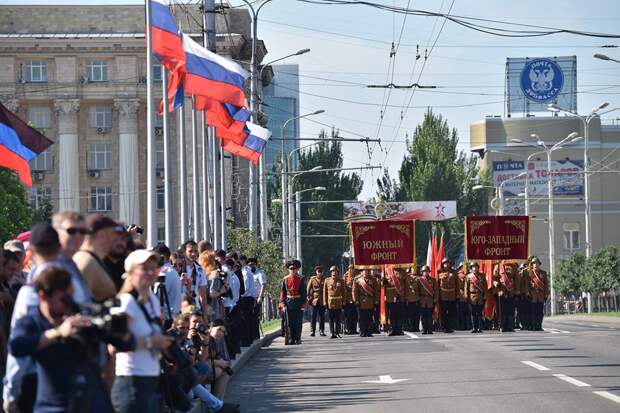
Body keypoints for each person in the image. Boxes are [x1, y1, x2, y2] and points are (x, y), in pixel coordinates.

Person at [9, 266, 121, 413]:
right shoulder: (32, 321)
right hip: (54, 405)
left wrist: (114, 328)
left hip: (91, 401)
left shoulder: (77, 315)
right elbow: (17, 346)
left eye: (71, 296)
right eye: (64, 298)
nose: (68, 303)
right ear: (43, 297)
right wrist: (58, 332)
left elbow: (125, 343)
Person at [111, 249, 175, 413]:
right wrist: (151, 342)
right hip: (131, 381)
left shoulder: (152, 300)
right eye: (144, 269)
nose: (150, 273)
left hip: (151, 378)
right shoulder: (125, 302)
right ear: (131, 272)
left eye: (153, 268)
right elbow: (115, 345)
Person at [73, 214, 123, 302]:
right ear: (101, 235)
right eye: (113, 234)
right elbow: (77, 301)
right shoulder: (86, 262)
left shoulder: (93, 259)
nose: (116, 240)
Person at [153, 244, 182, 327]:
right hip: (171, 316)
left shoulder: (166, 272)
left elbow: (158, 296)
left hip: (167, 319)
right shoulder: (171, 271)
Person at [279, 260, 306, 345]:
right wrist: (282, 303)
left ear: (297, 269)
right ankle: (291, 338)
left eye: (294, 268)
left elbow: (304, 292)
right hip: (289, 302)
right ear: (288, 269)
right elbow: (283, 292)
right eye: (291, 268)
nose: (292, 270)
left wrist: (303, 304)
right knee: (289, 322)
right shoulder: (285, 279)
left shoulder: (301, 278)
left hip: (298, 302)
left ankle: (297, 338)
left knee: (298, 322)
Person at [184, 241, 209, 323]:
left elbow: (203, 296)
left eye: (195, 251)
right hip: (181, 309)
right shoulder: (178, 268)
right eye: (190, 251)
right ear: (184, 252)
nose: (193, 254)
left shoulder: (200, 270)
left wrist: (205, 317)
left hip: (195, 309)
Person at [352, 269, 380, 337]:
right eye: (364, 270)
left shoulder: (373, 280)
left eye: (367, 271)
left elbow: (376, 291)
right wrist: (356, 300)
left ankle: (369, 331)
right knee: (361, 317)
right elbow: (354, 291)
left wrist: (376, 300)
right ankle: (362, 331)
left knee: (369, 317)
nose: (366, 272)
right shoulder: (357, 280)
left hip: (370, 300)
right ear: (362, 272)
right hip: (361, 300)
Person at [524, 257, 549, 331]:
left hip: (541, 295)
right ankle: (534, 325)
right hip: (533, 294)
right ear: (531, 265)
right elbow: (526, 284)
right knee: (533, 312)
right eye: (534, 263)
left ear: (539, 264)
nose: (535, 265)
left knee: (540, 312)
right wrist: (528, 292)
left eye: (537, 263)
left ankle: (539, 325)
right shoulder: (529, 273)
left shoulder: (543, 273)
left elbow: (546, 284)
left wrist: (546, 294)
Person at [494, 261, 518, 332]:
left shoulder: (513, 266)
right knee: (501, 310)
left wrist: (516, 290)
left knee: (510, 310)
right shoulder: (498, 266)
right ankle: (502, 326)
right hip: (501, 291)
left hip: (511, 291)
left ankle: (510, 326)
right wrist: (495, 283)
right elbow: (494, 278)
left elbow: (516, 279)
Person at [247, 257, 267, 341]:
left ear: (256, 264)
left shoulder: (260, 273)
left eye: (253, 264)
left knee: (255, 317)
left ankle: (256, 335)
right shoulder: (247, 273)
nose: (251, 266)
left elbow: (263, 285)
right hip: (248, 298)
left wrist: (260, 297)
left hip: (256, 298)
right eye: (250, 264)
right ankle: (250, 335)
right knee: (249, 317)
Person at [464, 262, 487, 333]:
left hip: (480, 296)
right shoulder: (468, 276)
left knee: (480, 313)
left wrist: (485, 295)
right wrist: (466, 296)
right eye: (473, 267)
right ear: (471, 268)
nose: (474, 268)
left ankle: (480, 328)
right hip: (472, 296)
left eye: (476, 267)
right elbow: (466, 287)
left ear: (478, 268)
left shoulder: (482, 276)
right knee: (473, 313)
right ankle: (474, 327)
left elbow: (485, 286)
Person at [323, 266, 345, 339]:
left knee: (338, 318)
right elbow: (324, 292)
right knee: (331, 318)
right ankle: (332, 333)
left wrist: (344, 301)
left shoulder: (341, 281)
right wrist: (324, 302)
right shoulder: (327, 280)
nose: (334, 273)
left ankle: (337, 332)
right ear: (331, 273)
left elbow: (343, 292)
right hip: (330, 302)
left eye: (335, 271)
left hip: (338, 301)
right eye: (332, 271)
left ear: (337, 273)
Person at [382, 267, 406, 336]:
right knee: (392, 314)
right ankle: (392, 329)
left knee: (399, 314)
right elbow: (384, 284)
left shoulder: (402, 271)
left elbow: (405, 282)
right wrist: (383, 280)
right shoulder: (387, 271)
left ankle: (399, 329)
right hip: (390, 297)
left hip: (399, 296)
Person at [438, 257, 458, 333]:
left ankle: (450, 327)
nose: (447, 264)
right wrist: (438, 296)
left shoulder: (454, 272)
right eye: (445, 263)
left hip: (452, 295)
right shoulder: (439, 272)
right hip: (443, 295)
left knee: (451, 312)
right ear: (443, 264)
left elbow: (457, 285)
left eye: (448, 263)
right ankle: (443, 327)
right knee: (443, 313)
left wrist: (457, 295)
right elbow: (437, 284)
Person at [417, 265, 438, 335]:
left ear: (429, 272)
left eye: (426, 271)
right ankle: (424, 329)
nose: (425, 272)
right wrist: (418, 299)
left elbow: (436, 290)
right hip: (422, 300)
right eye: (424, 271)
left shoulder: (433, 280)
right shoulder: (420, 280)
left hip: (430, 300)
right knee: (423, 316)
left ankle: (430, 329)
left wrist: (435, 298)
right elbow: (418, 290)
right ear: (422, 272)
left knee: (429, 315)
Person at [306, 265, 326, 337]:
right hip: (314, 299)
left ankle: (321, 330)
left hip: (322, 299)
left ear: (322, 272)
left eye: (320, 272)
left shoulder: (325, 279)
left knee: (322, 316)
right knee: (313, 316)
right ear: (316, 272)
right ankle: (313, 330)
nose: (319, 273)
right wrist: (308, 297)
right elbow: (308, 289)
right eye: (318, 272)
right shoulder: (312, 279)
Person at [404, 268, 420, 332]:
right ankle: (411, 327)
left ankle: (416, 327)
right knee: (410, 315)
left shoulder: (419, 278)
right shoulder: (407, 277)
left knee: (417, 314)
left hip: (417, 298)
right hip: (409, 299)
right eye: (413, 269)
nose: (414, 270)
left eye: (415, 269)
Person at [343, 265, 358, 335]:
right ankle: (348, 329)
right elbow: (343, 288)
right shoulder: (345, 277)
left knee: (355, 315)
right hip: (347, 298)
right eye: (350, 269)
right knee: (348, 315)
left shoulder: (357, 276)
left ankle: (354, 329)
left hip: (355, 298)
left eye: (352, 269)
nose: (351, 270)